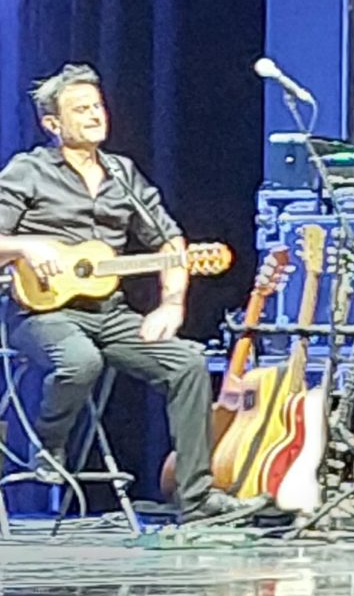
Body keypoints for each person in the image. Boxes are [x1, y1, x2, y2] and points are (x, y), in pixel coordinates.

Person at [0, 64, 247, 522]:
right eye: (81, 109)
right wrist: (26, 247)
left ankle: (196, 497)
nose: (96, 115)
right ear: (53, 124)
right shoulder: (28, 171)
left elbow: (169, 242)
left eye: (98, 106)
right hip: (39, 313)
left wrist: (171, 304)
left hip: (109, 313)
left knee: (188, 363)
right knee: (80, 362)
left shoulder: (122, 174)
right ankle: (48, 446)